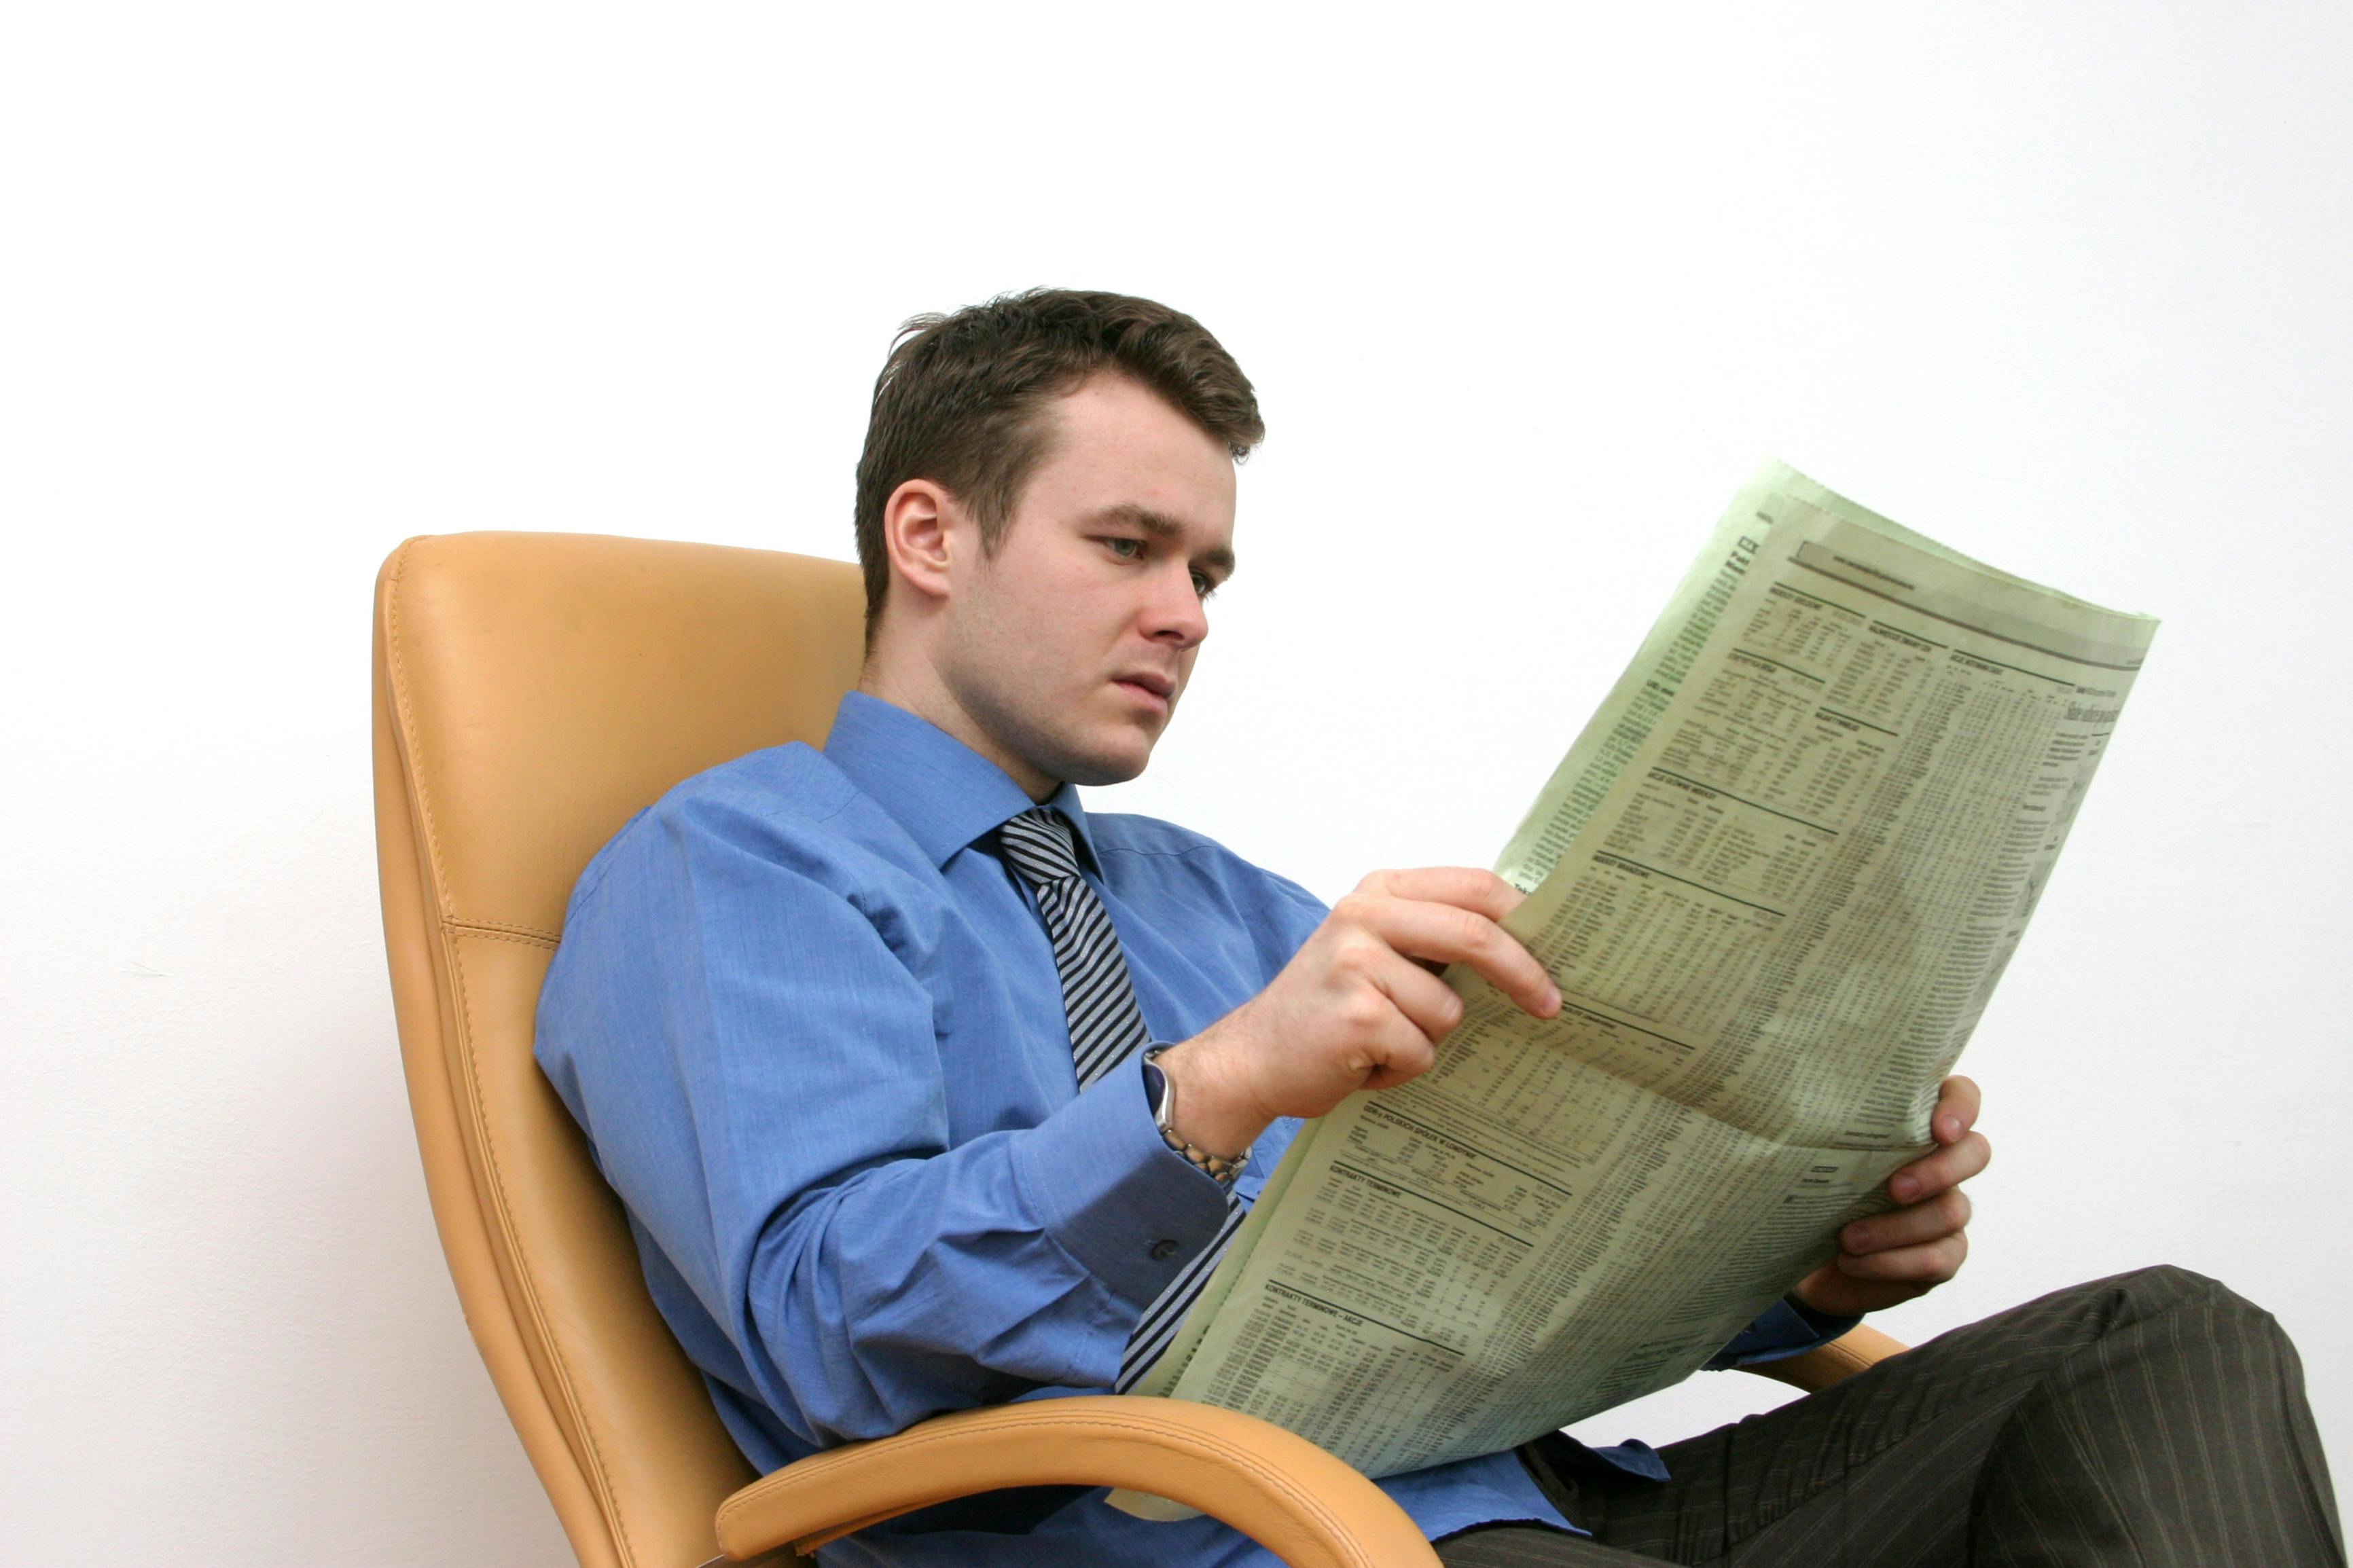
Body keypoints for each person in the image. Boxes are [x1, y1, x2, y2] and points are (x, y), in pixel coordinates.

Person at [535, 289, 2342, 1567]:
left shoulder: (1211, 897)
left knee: (2161, 1346)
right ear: (929, 537)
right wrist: (1214, 1090)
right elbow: (821, 1325)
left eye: (1211, 572)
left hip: (1529, 1503)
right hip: (1191, 1548)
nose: (1185, 614)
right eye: (1131, 546)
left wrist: (1802, 1269)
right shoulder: (738, 865)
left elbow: (1481, 1274)